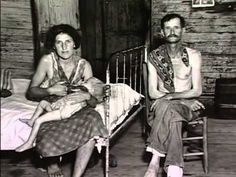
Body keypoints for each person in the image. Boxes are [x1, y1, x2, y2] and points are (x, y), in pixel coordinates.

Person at [25, 24, 108, 177]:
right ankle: (52, 164)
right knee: (47, 126)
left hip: (76, 105)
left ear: (75, 44)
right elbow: (31, 91)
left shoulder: (84, 65)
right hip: (55, 104)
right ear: (53, 46)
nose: (64, 47)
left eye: (68, 41)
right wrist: (50, 90)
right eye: (59, 42)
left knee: (92, 120)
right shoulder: (47, 61)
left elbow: (95, 98)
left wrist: (87, 96)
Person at [144, 14, 205, 177]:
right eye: (168, 28)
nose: (172, 31)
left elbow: (197, 90)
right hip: (175, 107)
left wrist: (170, 97)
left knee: (166, 106)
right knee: (173, 118)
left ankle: (154, 161)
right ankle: (174, 170)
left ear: (183, 30)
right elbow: (153, 92)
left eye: (176, 27)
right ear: (162, 32)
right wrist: (183, 99)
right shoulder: (154, 57)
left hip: (189, 108)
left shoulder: (193, 55)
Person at [15, 77, 105, 152]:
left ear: (92, 89)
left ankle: (29, 143)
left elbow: (93, 102)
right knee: (42, 103)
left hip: (63, 112)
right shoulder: (81, 90)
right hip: (60, 107)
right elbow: (69, 93)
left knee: (39, 121)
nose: (83, 82)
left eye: (86, 82)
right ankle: (31, 121)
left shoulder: (85, 92)